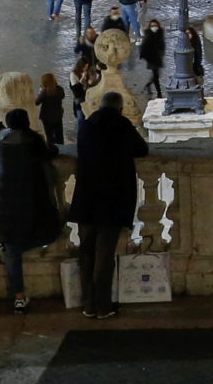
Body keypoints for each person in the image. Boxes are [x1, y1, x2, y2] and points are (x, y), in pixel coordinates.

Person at [69, 91, 149, 319]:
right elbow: (142, 150)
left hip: (86, 198)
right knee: (104, 255)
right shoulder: (122, 125)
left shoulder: (86, 124)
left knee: (86, 253)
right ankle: (103, 306)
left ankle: (88, 305)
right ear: (120, 108)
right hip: (112, 199)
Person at [0, 107, 64, 312]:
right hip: (31, 202)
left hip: (3, 204)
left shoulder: (0, 145)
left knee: (13, 249)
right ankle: (16, 284)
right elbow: (52, 151)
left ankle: (18, 296)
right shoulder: (34, 142)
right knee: (53, 233)